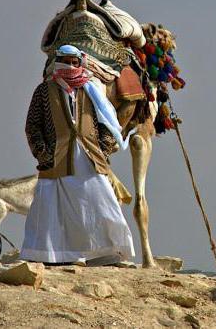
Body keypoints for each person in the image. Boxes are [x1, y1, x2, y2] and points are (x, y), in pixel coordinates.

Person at [21, 44, 135, 265]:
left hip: (89, 157)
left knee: (102, 202)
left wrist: (104, 147)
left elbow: (105, 122)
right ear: (58, 62)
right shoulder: (44, 91)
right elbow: (33, 126)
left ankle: (110, 253)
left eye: (75, 62)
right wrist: (42, 153)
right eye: (67, 62)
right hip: (56, 160)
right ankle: (54, 256)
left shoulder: (90, 90)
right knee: (52, 208)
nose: (71, 67)